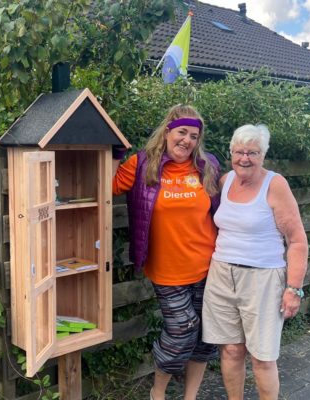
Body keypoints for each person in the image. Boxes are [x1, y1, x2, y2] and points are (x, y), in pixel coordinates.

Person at [112, 105, 221, 400]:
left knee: (206, 335)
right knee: (183, 328)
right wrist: (112, 151)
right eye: (182, 132)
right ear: (168, 131)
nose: (187, 140)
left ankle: (190, 396)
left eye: (194, 135)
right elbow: (107, 184)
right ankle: (157, 392)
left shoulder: (208, 166)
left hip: (209, 267)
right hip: (167, 270)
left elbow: (225, 210)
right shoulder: (142, 164)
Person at [202, 124, 308, 400]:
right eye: (239, 152)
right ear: (231, 153)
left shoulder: (275, 184)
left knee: (262, 357)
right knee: (231, 350)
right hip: (221, 275)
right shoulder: (225, 181)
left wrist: (293, 288)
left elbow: (297, 241)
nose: (245, 158)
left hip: (262, 278)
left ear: (263, 155)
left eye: (253, 152)